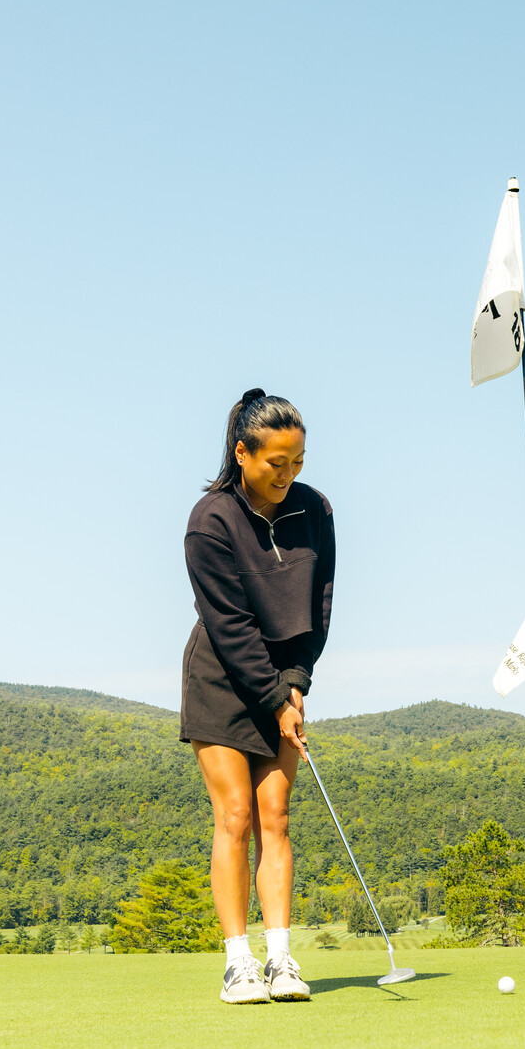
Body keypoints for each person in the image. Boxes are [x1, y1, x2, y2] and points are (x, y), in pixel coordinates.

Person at [182, 388, 334, 1004]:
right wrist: (275, 699)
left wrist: (295, 685)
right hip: (222, 676)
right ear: (242, 453)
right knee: (236, 816)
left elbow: (317, 606)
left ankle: (281, 959)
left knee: (276, 816)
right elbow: (231, 624)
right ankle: (238, 964)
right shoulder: (210, 521)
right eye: (276, 463)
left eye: (297, 462)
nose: (288, 475)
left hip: (283, 679)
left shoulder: (315, 510)